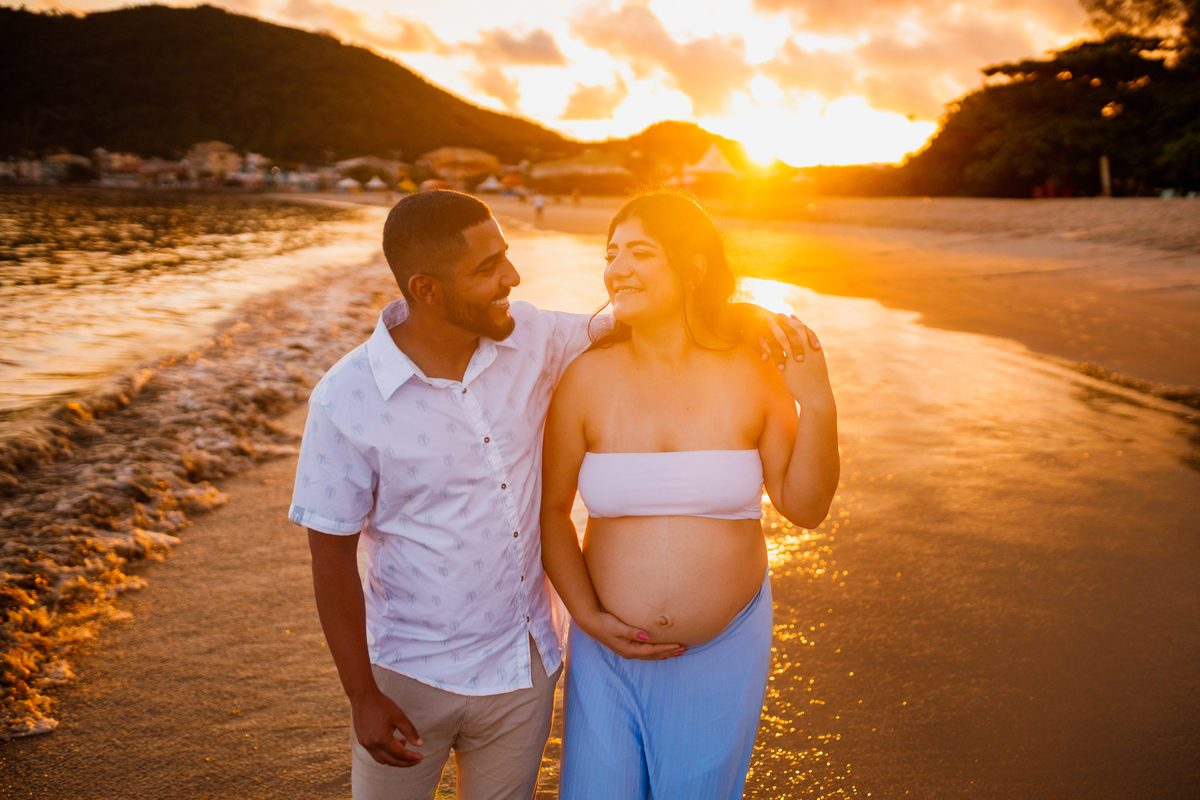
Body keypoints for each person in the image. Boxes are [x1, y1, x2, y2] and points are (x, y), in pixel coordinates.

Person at [289, 190, 797, 799]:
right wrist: (361, 695)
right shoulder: (346, 398)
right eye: (486, 269)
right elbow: (330, 556)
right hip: (407, 674)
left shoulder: (535, 339)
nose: (512, 276)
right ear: (427, 290)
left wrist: (737, 315)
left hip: (521, 667)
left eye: (504, 255)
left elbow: (643, 317)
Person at [540, 192, 840, 799]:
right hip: (607, 655)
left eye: (640, 252)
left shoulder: (752, 372)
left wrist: (820, 402)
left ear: (693, 264)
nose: (617, 267)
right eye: (611, 253)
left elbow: (805, 508)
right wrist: (589, 619)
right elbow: (549, 512)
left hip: (724, 649)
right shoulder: (586, 379)